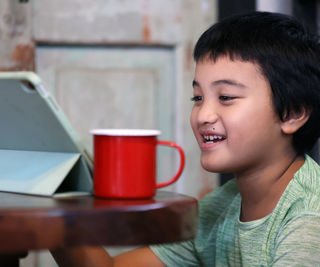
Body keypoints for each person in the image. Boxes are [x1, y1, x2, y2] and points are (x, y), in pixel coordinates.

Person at [51, 11, 320, 266]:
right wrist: (50, 206)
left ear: (292, 113)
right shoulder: (222, 205)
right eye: (198, 98)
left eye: (225, 97)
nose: (203, 115)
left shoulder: (309, 219)